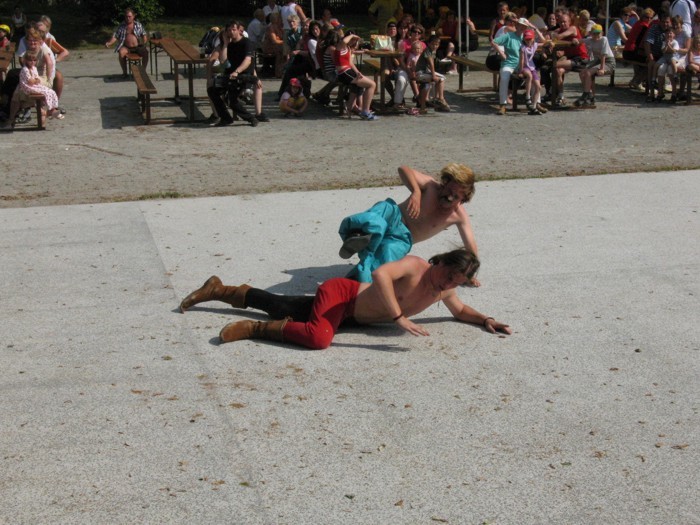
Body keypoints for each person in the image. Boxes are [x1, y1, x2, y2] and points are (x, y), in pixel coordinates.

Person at [179, 249, 511, 350]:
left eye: (456, 282)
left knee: (280, 305)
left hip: (351, 317)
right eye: (448, 275)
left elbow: (460, 309)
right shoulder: (416, 267)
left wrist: (486, 320)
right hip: (342, 295)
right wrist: (399, 317)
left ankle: (218, 289)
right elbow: (380, 275)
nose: (448, 284)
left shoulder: (445, 289)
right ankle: (253, 329)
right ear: (441, 262)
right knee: (319, 338)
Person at [338, 164, 479, 285]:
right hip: (394, 216)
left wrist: (469, 274)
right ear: (445, 183)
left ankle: (358, 278)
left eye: (456, 196)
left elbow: (471, 248)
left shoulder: (459, 216)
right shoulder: (430, 186)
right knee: (381, 212)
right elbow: (403, 169)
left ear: (463, 199)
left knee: (385, 259)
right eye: (449, 190)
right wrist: (416, 191)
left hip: (402, 239)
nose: (449, 197)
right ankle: (357, 236)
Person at [207, 20, 270, 127]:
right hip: (231, 76)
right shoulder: (229, 45)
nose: (231, 32)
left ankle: (251, 118)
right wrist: (225, 44)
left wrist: (237, 72)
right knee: (212, 90)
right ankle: (226, 118)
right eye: (229, 30)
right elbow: (223, 62)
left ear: (239, 31)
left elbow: (248, 61)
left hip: (244, 76)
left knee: (231, 100)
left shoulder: (247, 43)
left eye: (233, 29)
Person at [492, 16, 533, 115]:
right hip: (509, 63)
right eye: (521, 25)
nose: (522, 28)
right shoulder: (509, 35)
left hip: (522, 65)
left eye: (525, 26)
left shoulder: (526, 37)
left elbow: (537, 44)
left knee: (535, 77)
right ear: (517, 25)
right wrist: (501, 53)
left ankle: (536, 103)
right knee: (504, 77)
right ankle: (502, 105)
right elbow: (494, 42)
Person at [333, 30, 378, 120]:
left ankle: (350, 106)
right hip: (343, 73)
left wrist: (357, 72)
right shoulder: (340, 45)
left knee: (360, 85)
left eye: (354, 40)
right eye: (352, 39)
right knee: (372, 84)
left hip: (348, 71)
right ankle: (365, 111)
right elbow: (344, 41)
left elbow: (350, 62)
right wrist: (352, 35)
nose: (353, 41)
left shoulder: (348, 48)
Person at [549, 12, 589, 107]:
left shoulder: (573, 28)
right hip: (571, 58)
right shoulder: (560, 30)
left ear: (569, 22)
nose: (562, 24)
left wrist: (554, 35)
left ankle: (551, 90)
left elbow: (558, 37)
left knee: (555, 64)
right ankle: (560, 96)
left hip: (581, 58)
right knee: (558, 70)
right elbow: (552, 36)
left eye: (564, 22)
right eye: (560, 22)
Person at [574, 24, 615, 107]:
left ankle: (585, 94)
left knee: (588, 73)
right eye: (594, 33)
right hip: (598, 61)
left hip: (608, 62)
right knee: (582, 73)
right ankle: (589, 94)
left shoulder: (604, 39)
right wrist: (575, 40)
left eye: (598, 33)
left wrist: (602, 69)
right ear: (591, 33)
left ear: (602, 33)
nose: (596, 35)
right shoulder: (590, 40)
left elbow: (603, 55)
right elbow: (580, 40)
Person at [104, 8, 148, 78]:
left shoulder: (138, 25)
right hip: (126, 47)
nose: (128, 18)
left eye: (129, 16)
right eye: (126, 16)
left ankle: (143, 71)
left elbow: (144, 34)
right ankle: (125, 73)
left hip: (138, 46)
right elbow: (115, 36)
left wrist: (144, 43)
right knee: (121, 53)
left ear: (133, 16)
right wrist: (109, 43)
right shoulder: (121, 26)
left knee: (145, 52)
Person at [18, 50, 62, 120]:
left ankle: (53, 109)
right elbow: (30, 82)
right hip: (27, 87)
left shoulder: (34, 68)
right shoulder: (25, 69)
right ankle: (50, 111)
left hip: (34, 85)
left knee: (51, 91)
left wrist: (36, 80)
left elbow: (36, 78)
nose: (32, 62)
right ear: (26, 60)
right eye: (30, 60)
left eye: (34, 60)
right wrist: (35, 80)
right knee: (46, 92)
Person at [414, 34, 450, 113]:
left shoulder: (433, 51)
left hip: (425, 72)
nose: (435, 46)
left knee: (436, 80)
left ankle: (431, 101)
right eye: (433, 44)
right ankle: (440, 98)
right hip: (420, 73)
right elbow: (431, 63)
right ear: (429, 43)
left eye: (436, 44)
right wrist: (433, 75)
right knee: (441, 79)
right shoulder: (427, 51)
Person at [519, 28, 547, 115]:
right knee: (529, 76)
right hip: (525, 67)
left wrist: (536, 30)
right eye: (526, 39)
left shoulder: (534, 45)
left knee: (538, 87)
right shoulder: (523, 47)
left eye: (530, 39)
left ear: (533, 38)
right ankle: (527, 97)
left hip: (532, 67)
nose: (528, 41)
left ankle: (534, 107)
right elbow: (521, 60)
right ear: (524, 39)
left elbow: (544, 42)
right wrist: (520, 71)